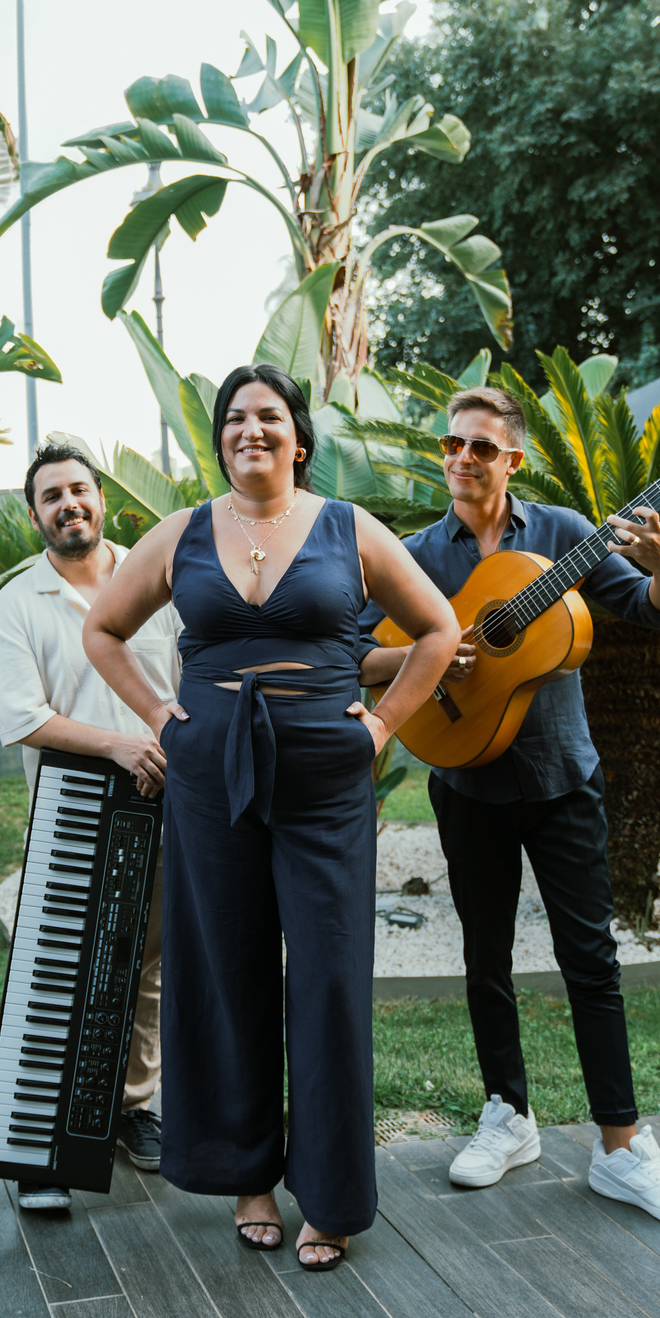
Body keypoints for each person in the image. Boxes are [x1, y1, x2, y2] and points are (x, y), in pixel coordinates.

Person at [82, 365, 459, 1270]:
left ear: (299, 438)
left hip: (325, 783)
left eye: (269, 416)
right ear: (221, 441)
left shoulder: (348, 527)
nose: (251, 429)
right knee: (226, 970)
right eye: (235, 418)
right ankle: (247, 1177)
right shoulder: (182, 532)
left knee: (329, 976)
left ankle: (330, 1195)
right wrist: (159, 713)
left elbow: (439, 629)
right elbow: (102, 629)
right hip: (210, 780)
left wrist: (381, 726)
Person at [361, 384, 660, 1228]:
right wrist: (431, 655)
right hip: (466, 779)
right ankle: (507, 1113)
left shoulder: (563, 535)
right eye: (451, 444)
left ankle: (621, 1147)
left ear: (513, 459)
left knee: (590, 959)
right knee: (485, 957)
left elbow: (645, 610)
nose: (462, 458)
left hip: (562, 779)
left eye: (481, 446)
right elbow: (356, 655)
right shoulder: (415, 554)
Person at [0, 442, 179, 1211]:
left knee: (147, 963)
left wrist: (162, 751)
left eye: (78, 489)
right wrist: (118, 745)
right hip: (73, 802)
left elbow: (188, 681)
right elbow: (23, 718)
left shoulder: (156, 580)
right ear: (35, 516)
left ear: (102, 500)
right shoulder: (17, 603)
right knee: (59, 967)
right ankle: (42, 1144)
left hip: (164, 794)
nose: (68, 504)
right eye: (51, 496)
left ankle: (132, 1109)